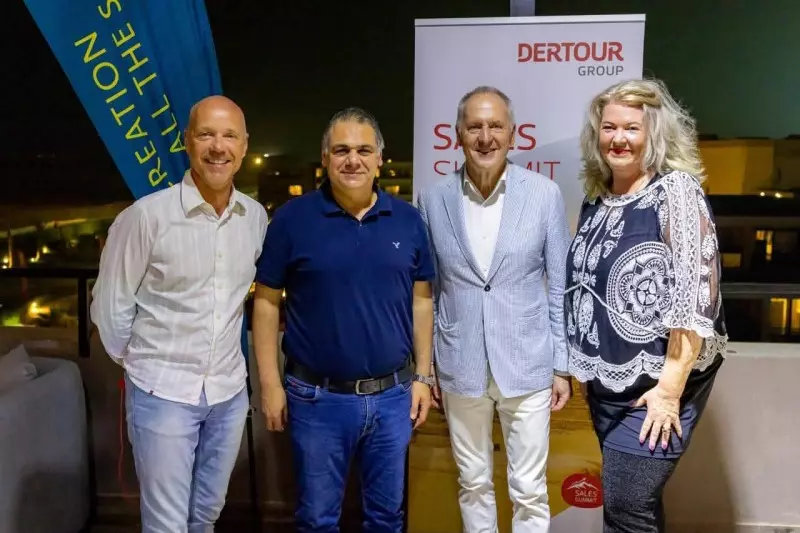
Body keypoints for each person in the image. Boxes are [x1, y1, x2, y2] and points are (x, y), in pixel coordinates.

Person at [252, 107, 436, 533]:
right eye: (341, 150)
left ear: (379, 159)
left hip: (393, 398)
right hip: (316, 399)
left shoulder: (408, 221)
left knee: (387, 519)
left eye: (363, 150)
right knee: (317, 521)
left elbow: (422, 302)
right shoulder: (292, 220)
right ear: (325, 158)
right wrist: (270, 384)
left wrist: (423, 377)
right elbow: (266, 304)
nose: (353, 160)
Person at [90, 95, 268, 533]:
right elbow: (110, 308)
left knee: (205, 515)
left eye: (229, 136)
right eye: (206, 134)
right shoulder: (146, 217)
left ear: (244, 146)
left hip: (228, 393)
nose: (218, 146)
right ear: (187, 142)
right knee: (167, 524)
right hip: (162, 393)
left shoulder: (254, 218)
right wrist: (144, 363)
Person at [565, 78, 728, 532]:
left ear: (653, 134)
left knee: (626, 506)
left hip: (657, 389)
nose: (618, 138)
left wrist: (669, 392)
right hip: (607, 388)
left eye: (631, 128)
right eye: (609, 127)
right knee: (634, 510)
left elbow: (695, 299)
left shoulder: (675, 191)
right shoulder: (597, 199)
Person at [416, 86, 572, 533]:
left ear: (513, 134)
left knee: (529, 490)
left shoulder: (543, 195)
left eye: (495, 126)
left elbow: (560, 285)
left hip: (528, 365)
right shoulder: (432, 199)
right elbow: (427, 290)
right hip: (459, 364)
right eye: (475, 127)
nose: (485, 137)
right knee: (473, 483)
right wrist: (428, 369)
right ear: (457, 135)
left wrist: (561, 366)